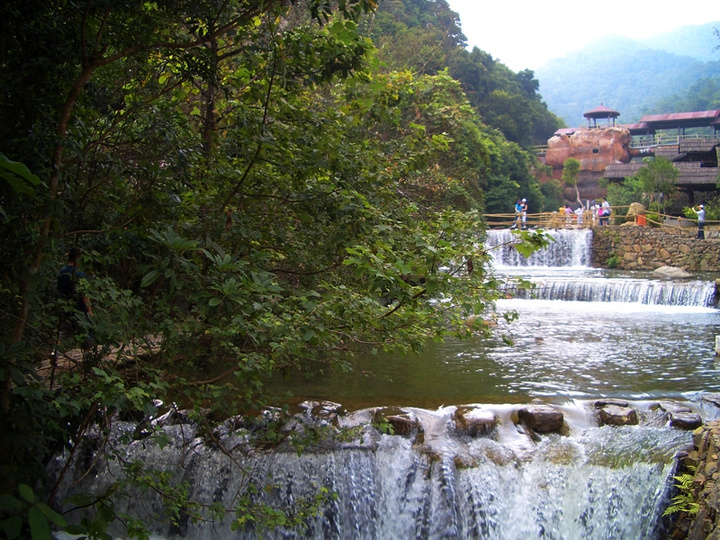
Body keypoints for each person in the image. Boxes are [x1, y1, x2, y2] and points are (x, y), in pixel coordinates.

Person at [57, 247, 94, 351]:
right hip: (80, 309)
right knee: (85, 333)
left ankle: (55, 353)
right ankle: (87, 357)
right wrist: (89, 310)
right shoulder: (80, 274)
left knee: (64, 332)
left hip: (66, 307)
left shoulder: (62, 272)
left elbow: (60, 290)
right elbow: (84, 294)